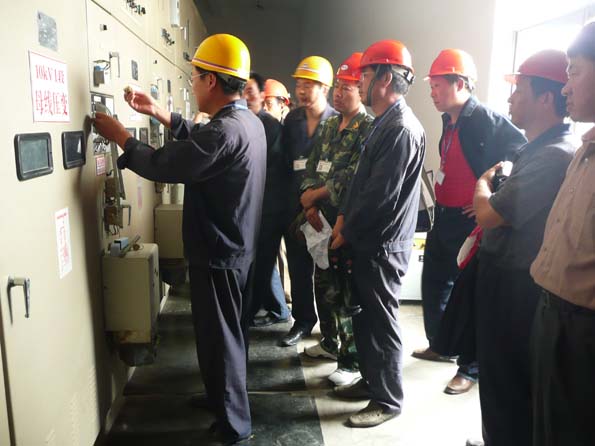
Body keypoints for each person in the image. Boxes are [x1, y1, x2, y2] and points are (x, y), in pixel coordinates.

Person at [93, 34, 265, 445]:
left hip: (219, 253)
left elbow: (165, 162)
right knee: (224, 336)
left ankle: (234, 425)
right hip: (234, 248)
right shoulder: (245, 122)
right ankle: (221, 398)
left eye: (194, 76)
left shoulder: (225, 132)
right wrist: (159, 113)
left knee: (220, 340)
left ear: (211, 80)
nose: (192, 83)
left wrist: (121, 136)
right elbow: (202, 140)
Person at [472, 49, 575, 446]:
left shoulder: (553, 156)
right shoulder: (535, 149)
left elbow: (488, 214)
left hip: (517, 287)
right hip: (506, 279)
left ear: (546, 98)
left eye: (520, 90)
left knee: (507, 381)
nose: (511, 98)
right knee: (499, 378)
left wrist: (483, 184)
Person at [413, 48, 526, 395]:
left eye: (437, 85)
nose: (432, 92)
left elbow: (519, 150)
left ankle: (470, 367)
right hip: (445, 216)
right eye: (431, 86)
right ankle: (441, 344)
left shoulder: (485, 119)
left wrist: (490, 195)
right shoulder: (450, 119)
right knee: (434, 283)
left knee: (471, 294)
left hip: (472, 223)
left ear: (460, 84)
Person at [331, 39, 426, 427]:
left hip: (382, 245)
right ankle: (371, 382)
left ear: (386, 78)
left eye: (366, 74)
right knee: (366, 319)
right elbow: (362, 183)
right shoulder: (384, 123)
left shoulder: (400, 129)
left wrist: (347, 230)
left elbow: (379, 197)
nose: (360, 81)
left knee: (381, 322)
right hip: (368, 240)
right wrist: (344, 220)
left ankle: (387, 400)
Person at [529, 22, 595, 446]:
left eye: (574, 72)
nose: (565, 87)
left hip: (583, 331)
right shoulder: (585, 147)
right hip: (552, 315)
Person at [299, 52, 374, 386]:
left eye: (348, 87)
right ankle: (329, 342)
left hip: (345, 225)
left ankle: (351, 360)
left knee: (346, 294)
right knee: (324, 286)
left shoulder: (367, 128)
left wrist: (314, 196)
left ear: (361, 89)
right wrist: (309, 203)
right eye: (338, 86)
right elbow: (312, 165)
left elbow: (352, 178)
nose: (339, 93)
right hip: (319, 223)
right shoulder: (330, 125)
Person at [279, 56, 339, 347]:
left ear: (324, 87)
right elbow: (283, 162)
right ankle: (303, 321)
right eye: (299, 85)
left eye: (308, 85)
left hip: (326, 210)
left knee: (327, 270)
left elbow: (339, 170)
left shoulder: (337, 122)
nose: (301, 91)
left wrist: (315, 202)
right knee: (299, 267)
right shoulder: (292, 120)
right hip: (294, 207)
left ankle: (330, 331)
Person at [243, 72, 291, 327]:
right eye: (242, 91)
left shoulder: (271, 128)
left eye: (251, 92)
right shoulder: (243, 122)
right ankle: (258, 310)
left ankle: (254, 312)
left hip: (268, 210)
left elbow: (272, 173)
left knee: (263, 264)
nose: (245, 97)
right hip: (250, 210)